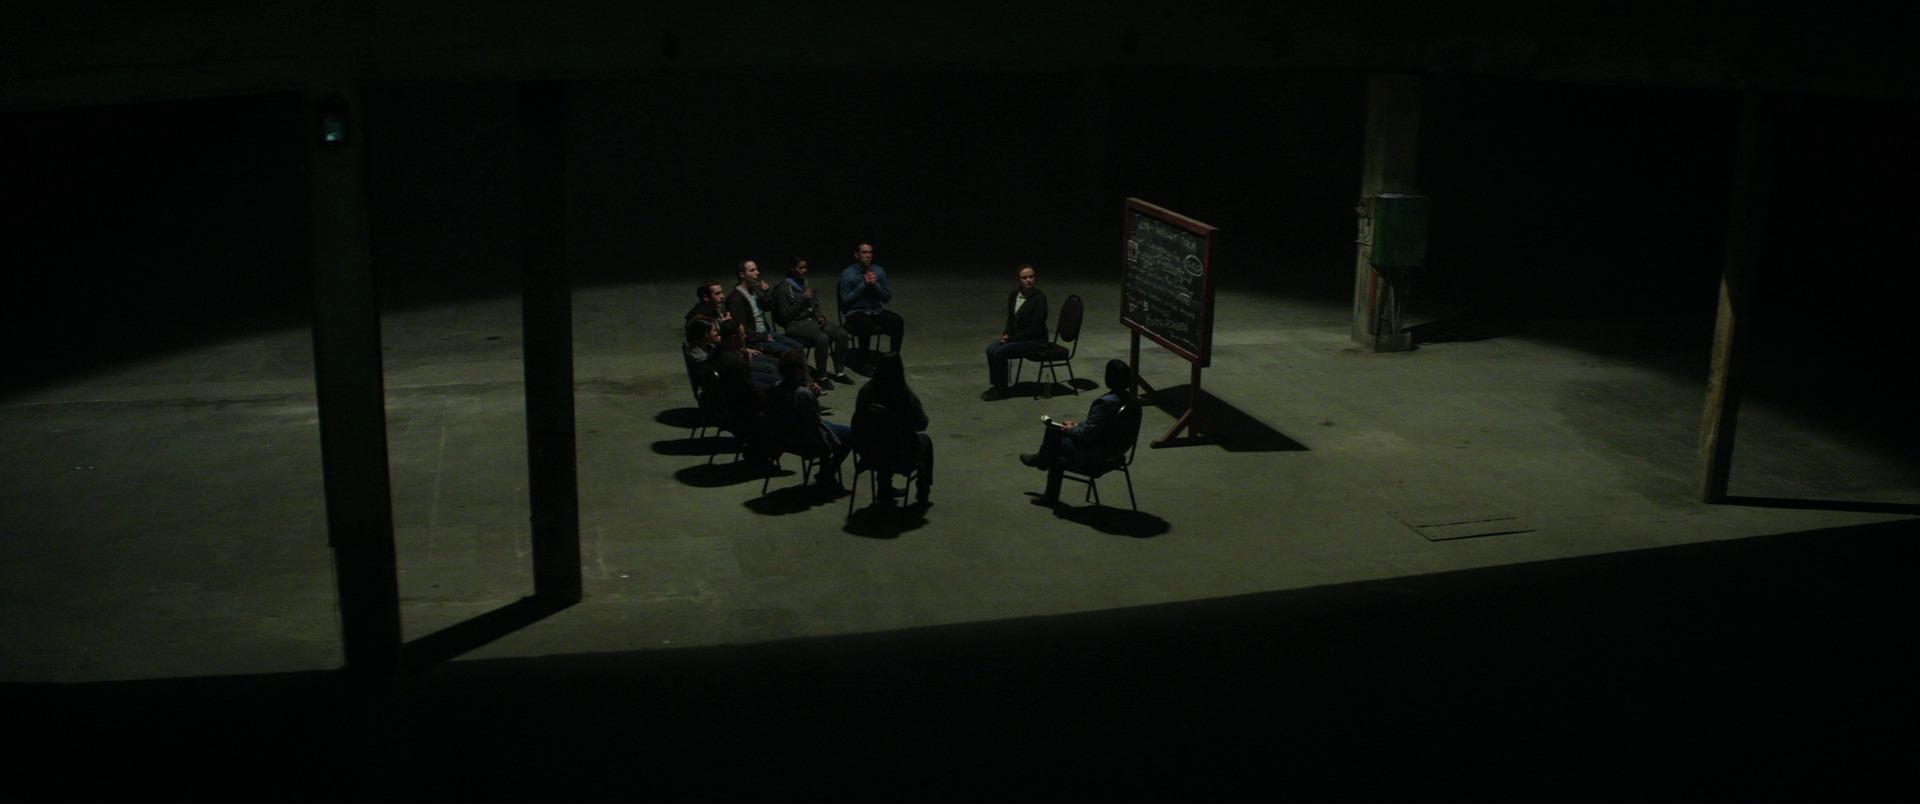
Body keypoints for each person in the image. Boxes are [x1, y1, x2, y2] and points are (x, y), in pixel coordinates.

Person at [1021, 359, 1139, 507]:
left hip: (1096, 456)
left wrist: (1070, 429)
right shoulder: (1132, 402)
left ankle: (1043, 466)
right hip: (1117, 452)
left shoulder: (1104, 403)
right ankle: (1042, 460)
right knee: (1058, 434)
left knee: (1053, 436)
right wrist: (1077, 426)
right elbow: (1102, 427)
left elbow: (1086, 435)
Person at [852, 353, 933, 505]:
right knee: (924, 441)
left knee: (882, 436)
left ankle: (884, 486)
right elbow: (922, 424)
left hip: (868, 453)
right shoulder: (903, 396)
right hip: (899, 455)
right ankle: (923, 489)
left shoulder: (865, 391)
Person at [766, 349, 852, 491]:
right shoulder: (803, 394)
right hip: (806, 440)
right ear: (798, 371)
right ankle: (827, 473)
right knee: (850, 434)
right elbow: (815, 420)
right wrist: (813, 397)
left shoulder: (773, 389)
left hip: (781, 436)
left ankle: (826, 471)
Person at [770, 257, 856, 386]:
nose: (804, 270)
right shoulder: (783, 288)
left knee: (841, 334)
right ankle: (822, 377)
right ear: (792, 269)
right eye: (800, 268)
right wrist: (802, 299)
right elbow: (784, 315)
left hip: (811, 320)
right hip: (795, 324)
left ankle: (840, 372)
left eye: (805, 267)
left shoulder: (805, 282)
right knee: (822, 338)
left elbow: (814, 303)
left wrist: (820, 315)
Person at [981, 263, 1050, 401]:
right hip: (1018, 337)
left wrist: (1011, 339)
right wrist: (1006, 333)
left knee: (1000, 352)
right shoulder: (1014, 295)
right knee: (990, 349)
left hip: (1034, 341)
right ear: (1019, 279)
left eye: (1031, 277)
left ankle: (1002, 390)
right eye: (1025, 277)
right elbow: (1011, 319)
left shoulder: (1039, 298)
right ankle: (997, 385)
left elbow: (1034, 329)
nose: (1029, 280)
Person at [725, 260, 812, 365]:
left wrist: (766, 292)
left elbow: (768, 307)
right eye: (752, 270)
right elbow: (741, 326)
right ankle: (797, 374)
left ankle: (803, 373)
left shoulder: (754, 290)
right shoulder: (735, 298)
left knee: (798, 347)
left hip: (766, 333)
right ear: (742, 274)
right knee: (789, 354)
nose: (757, 272)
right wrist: (762, 337)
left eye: (756, 269)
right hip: (755, 339)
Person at [837, 242, 905, 356]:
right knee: (865, 324)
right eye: (864, 252)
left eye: (870, 252)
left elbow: (887, 298)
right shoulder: (848, 274)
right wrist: (863, 285)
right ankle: (864, 356)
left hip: (875, 310)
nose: (868, 255)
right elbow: (845, 301)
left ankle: (894, 354)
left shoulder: (878, 271)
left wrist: (875, 285)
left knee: (897, 321)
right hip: (855, 311)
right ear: (857, 255)